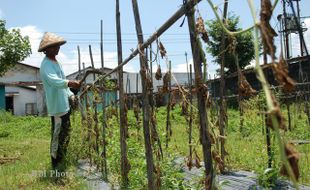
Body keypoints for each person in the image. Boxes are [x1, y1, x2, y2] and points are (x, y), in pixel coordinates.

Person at [38, 32, 81, 171]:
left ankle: (63, 157)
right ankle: (55, 164)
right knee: (57, 135)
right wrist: (70, 83)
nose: (57, 49)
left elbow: (63, 83)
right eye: (54, 46)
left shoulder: (57, 62)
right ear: (47, 49)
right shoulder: (45, 65)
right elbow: (55, 81)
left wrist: (71, 95)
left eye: (58, 46)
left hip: (64, 105)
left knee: (66, 132)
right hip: (57, 107)